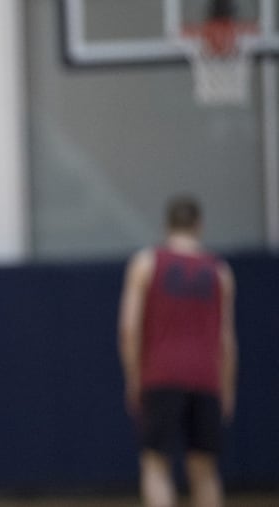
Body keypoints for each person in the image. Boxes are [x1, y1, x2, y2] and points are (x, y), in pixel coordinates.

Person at [117, 194, 238, 507]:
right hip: (205, 377)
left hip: (160, 375)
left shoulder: (147, 263)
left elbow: (129, 328)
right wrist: (226, 387)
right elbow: (227, 340)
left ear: (166, 225)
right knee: (205, 471)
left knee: (156, 466)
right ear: (199, 225)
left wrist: (133, 378)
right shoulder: (220, 271)